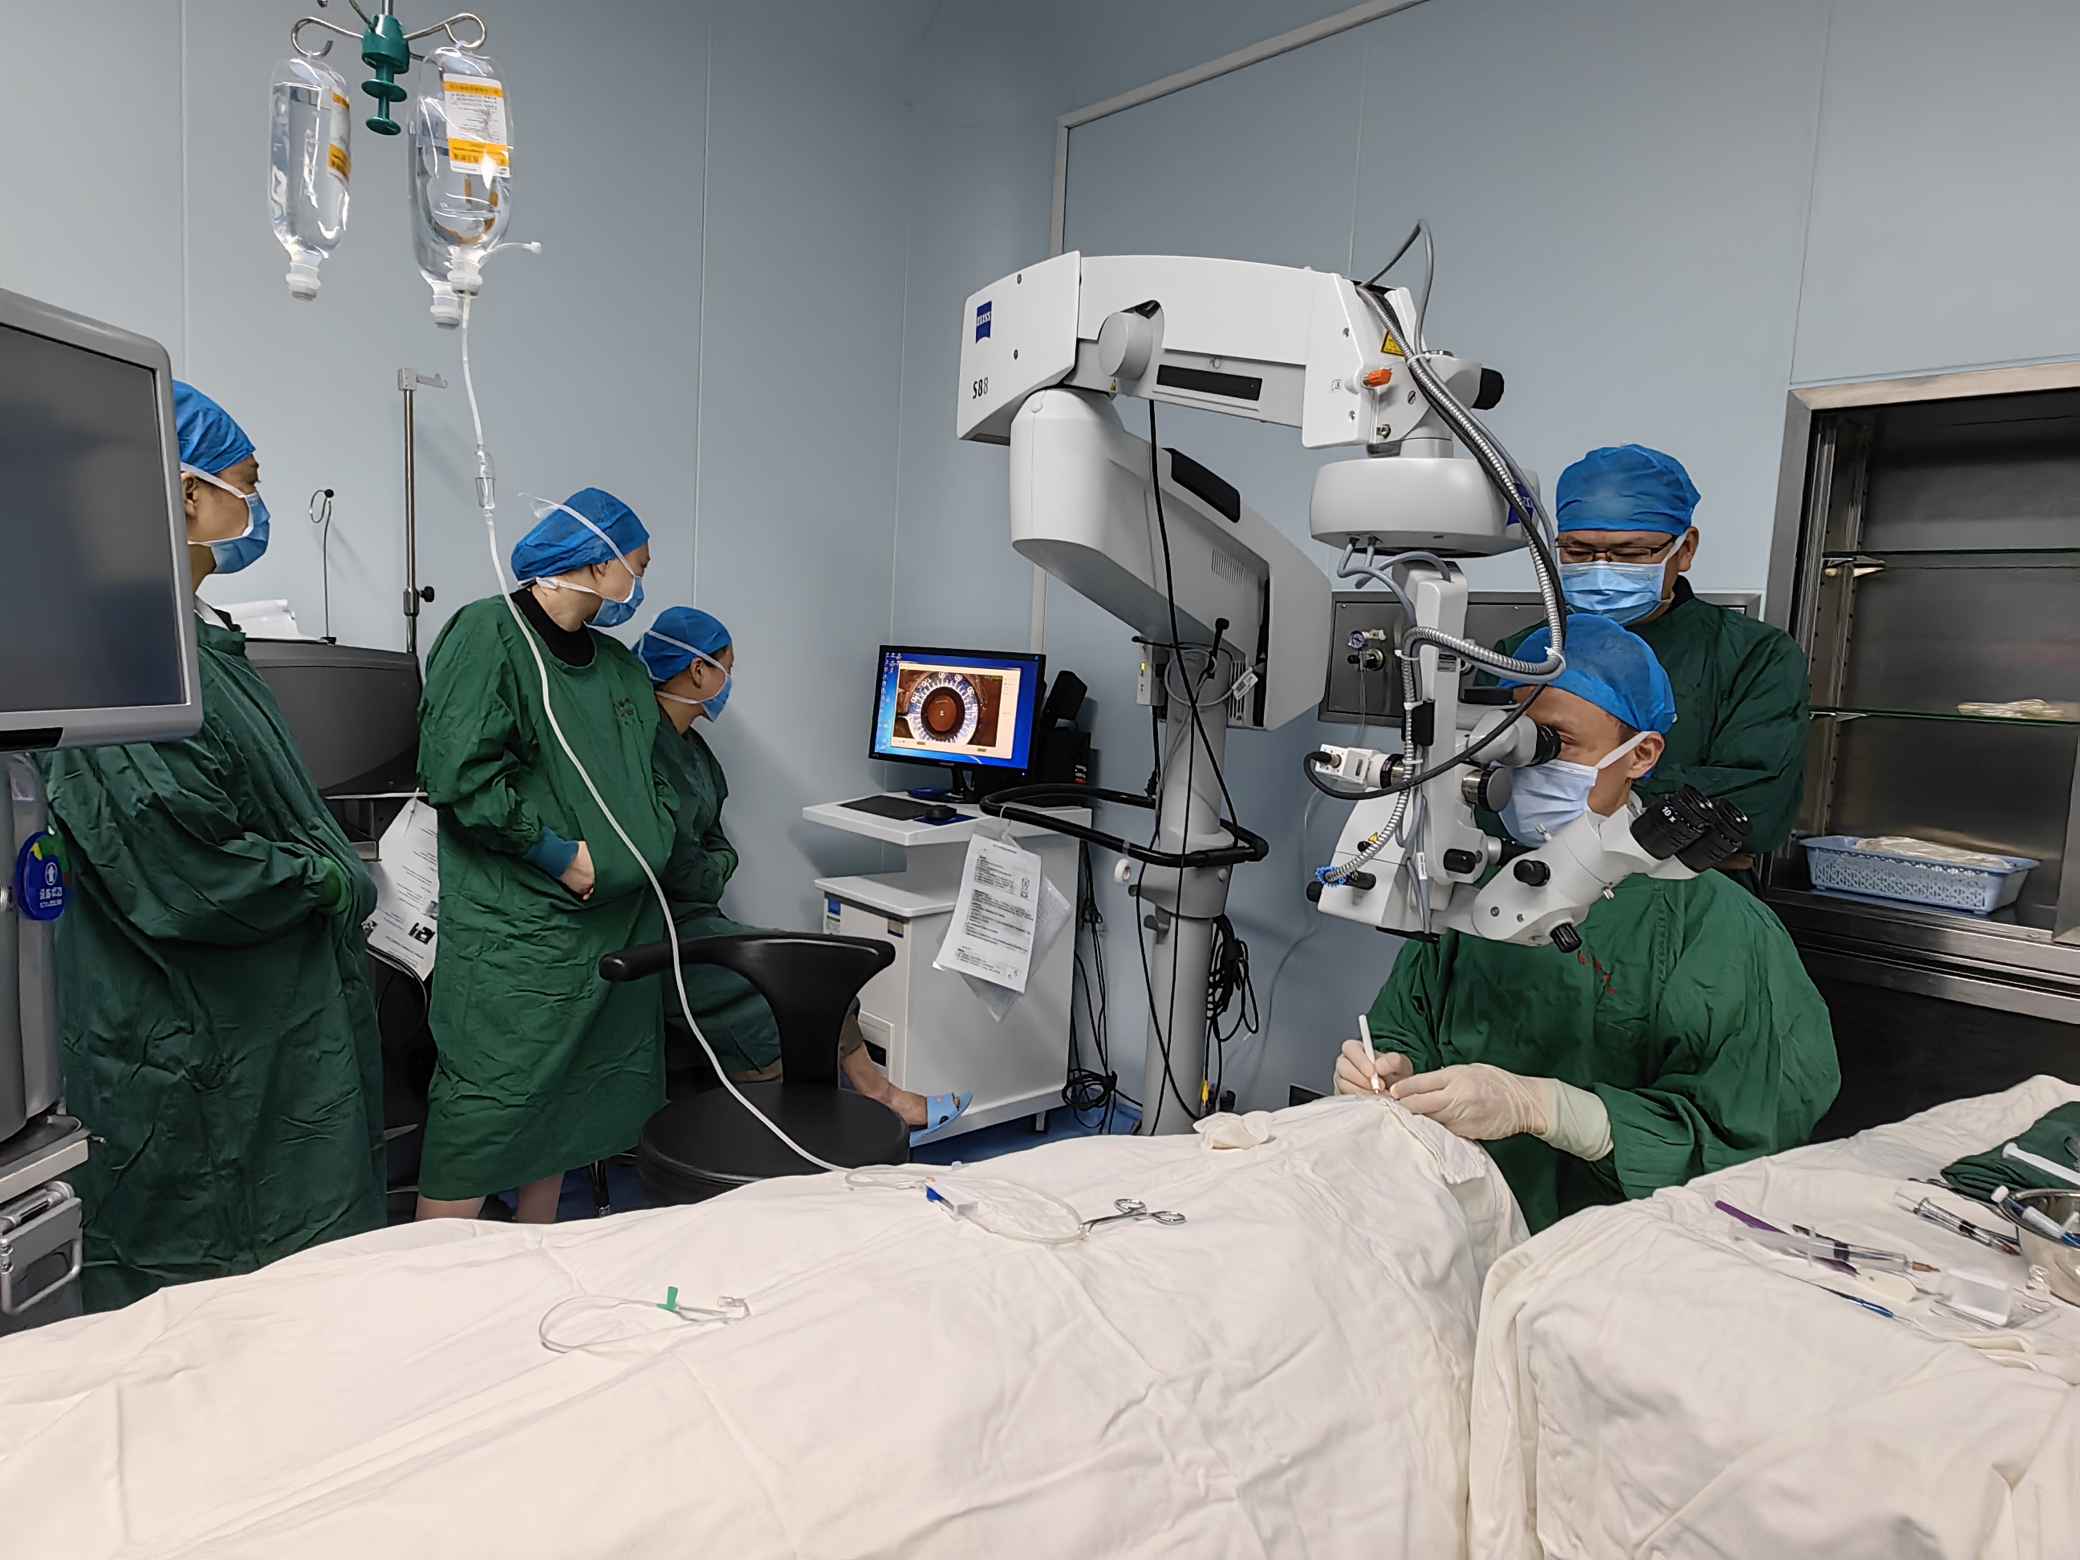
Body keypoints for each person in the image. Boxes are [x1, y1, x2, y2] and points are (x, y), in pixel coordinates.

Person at [39, 381, 385, 1308]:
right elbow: (184, 870)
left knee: (303, 1277)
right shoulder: (119, 654)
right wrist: (327, 879)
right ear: (187, 493)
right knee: (216, 1284)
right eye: (247, 482)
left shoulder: (193, 640)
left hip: (265, 1018)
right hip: (200, 1032)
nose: (255, 504)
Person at [1335, 615, 1838, 1232]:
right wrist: (1390, 1072)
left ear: (1641, 755)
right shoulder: (1472, 891)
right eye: (1512, 741)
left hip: (1623, 1254)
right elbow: (1405, 1027)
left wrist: (1550, 1110)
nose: (1524, 766)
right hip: (1455, 1231)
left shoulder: (1718, 926)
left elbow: (1748, 1137)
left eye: (1556, 744)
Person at [414, 487, 672, 1222]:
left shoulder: (618, 666)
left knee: (572, 1102)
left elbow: (648, 773)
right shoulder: (489, 636)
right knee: (490, 1101)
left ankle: (537, 1250)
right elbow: (460, 774)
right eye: (637, 564)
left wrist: (648, 842)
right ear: (596, 563)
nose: (641, 580)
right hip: (522, 931)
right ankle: (424, 1271)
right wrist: (560, 855)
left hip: (619, 921)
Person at [639, 607, 972, 1143]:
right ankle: (794, 1129)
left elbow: (712, 845)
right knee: (787, 986)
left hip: (696, 917)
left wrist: (711, 867)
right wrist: (709, 869)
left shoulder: (693, 751)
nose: (729, 681)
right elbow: (674, 862)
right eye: (727, 668)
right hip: (654, 929)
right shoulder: (640, 748)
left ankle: (875, 1097)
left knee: (812, 964)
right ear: (698, 671)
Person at [1502, 444, 1810, 886]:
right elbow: (1474, 784)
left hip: (1685, 894)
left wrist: (1564, 789)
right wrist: (1652, 798)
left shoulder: (1755, 656)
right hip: (1527, 883)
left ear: (1685, 550)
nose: (1602, 570)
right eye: (1578, 551)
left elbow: (1756, 807)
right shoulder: (1520, 653)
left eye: (1631, 554)